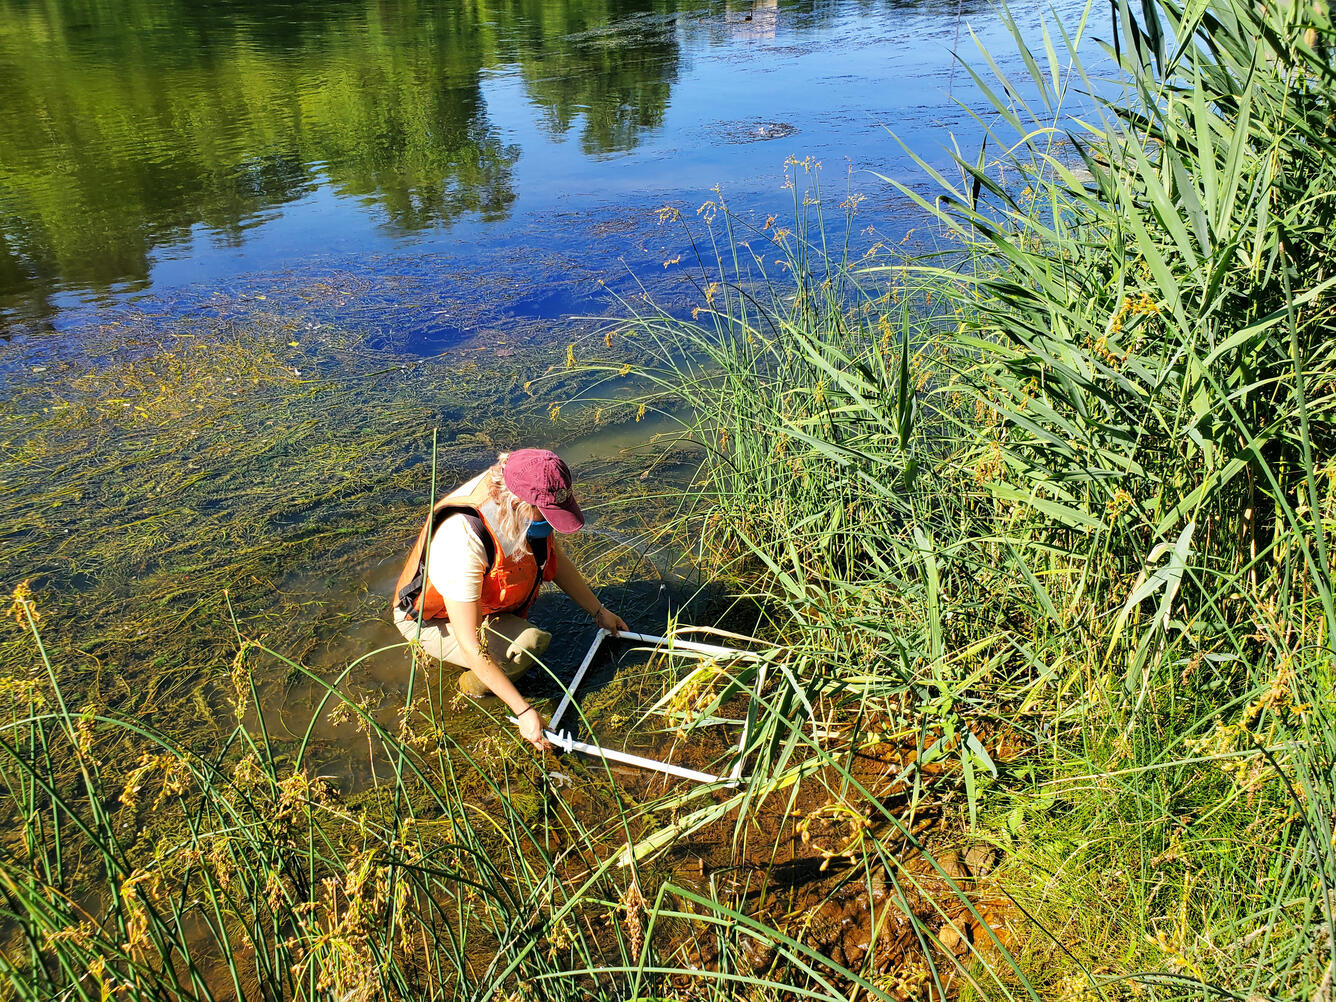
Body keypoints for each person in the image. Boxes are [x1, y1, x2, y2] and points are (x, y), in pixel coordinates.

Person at [392, 449, 628, 751]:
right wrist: (524, 710)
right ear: (519, 504)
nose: (550, 523)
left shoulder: (529, 483)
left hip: (482, 601)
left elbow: (554, 560)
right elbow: (471, 645)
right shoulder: (463, 538)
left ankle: (498, 648)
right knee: (528, 643)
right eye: (546, 514)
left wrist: (599, 611)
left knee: (521, 631)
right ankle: (472, 687)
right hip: (432, 621)